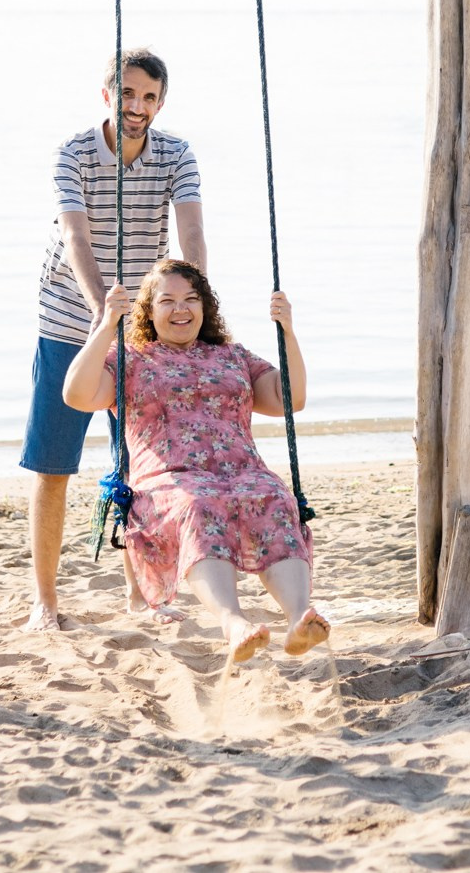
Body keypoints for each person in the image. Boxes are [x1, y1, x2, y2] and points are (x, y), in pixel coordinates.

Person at [62, 259, 330, 663]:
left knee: (276, 498)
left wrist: (288, 332)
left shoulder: (232, 355)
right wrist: (105, 326)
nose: (181, 309)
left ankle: (298, 619)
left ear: (205, 306)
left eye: (191, 299)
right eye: (167, 301)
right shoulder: (131, 359)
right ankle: (233, 623)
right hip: (170, 480)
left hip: (244, 472)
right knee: (198, 505)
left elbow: (288, 398)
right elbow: (76, 395)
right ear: (148, 311)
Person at [23, 49, 205, 632]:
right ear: (108, 96)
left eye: (149, 97)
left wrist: (192, 307)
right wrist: (104, 310)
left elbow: (191, 231)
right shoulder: (74, 153)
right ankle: (45, 602)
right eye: (127, 94)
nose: (137, 107)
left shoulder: (176, 154)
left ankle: (140, 595)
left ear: (161, 103)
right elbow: (75, 238)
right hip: (70, 320)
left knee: (138, 465)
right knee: (53, 464)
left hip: (143, 327)